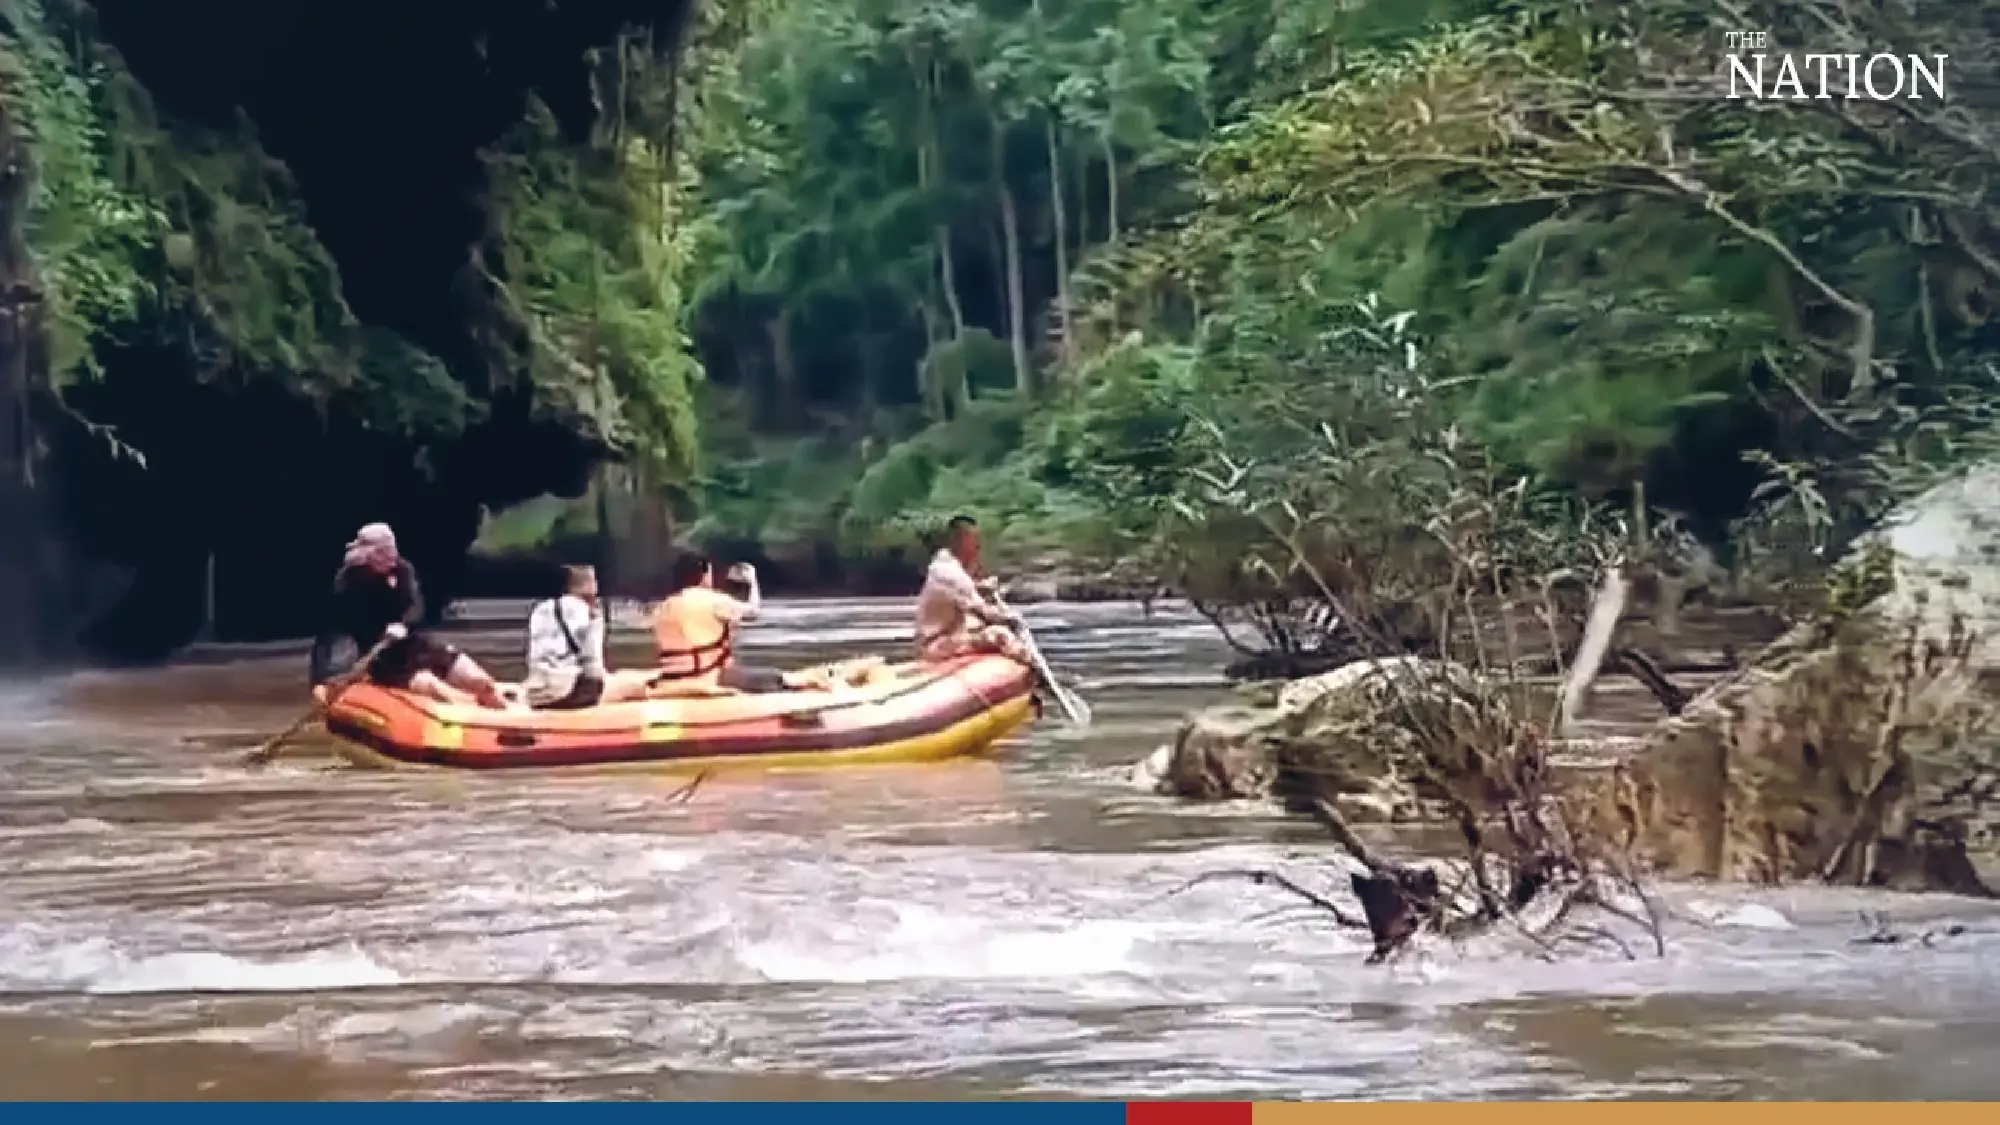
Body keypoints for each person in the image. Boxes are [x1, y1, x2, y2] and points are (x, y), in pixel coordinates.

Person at [307, 522, 511, 709]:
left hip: (415, 644)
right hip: (381, 657)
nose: (388, 559)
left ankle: (505, 711)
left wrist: (403, 625)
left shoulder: (404, 570)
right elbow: (335, 631)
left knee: (481, 682)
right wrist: (324, 678)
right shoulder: (348, 581)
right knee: (437, 689)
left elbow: (416, 607)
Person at [650, 552, 793, 694]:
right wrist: (752, 579)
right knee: (773, 677)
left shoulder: (663, 607)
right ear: (704, 574)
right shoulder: (714, 600)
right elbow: (753, 612)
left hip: (672, 677)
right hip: (710, 676)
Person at [520, 564, 653, 709]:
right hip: (571, 692)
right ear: (588, 585)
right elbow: (593, 667)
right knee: (634, 685)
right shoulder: (589, 613)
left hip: (538, 692)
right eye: (594, 580)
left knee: (624, 676)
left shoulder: (540, 610)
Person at [914, 514, 1029, 665]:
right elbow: (983, 612)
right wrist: (1011, 618)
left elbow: (964, 591)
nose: (978, 547)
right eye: (975, 542)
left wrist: (979, 586)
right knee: (1000, 635)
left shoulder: (943, 565)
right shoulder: (950, 573)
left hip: (942, 637)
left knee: (976, 624)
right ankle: (1029, 668)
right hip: (937, 645)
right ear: (963, 541)